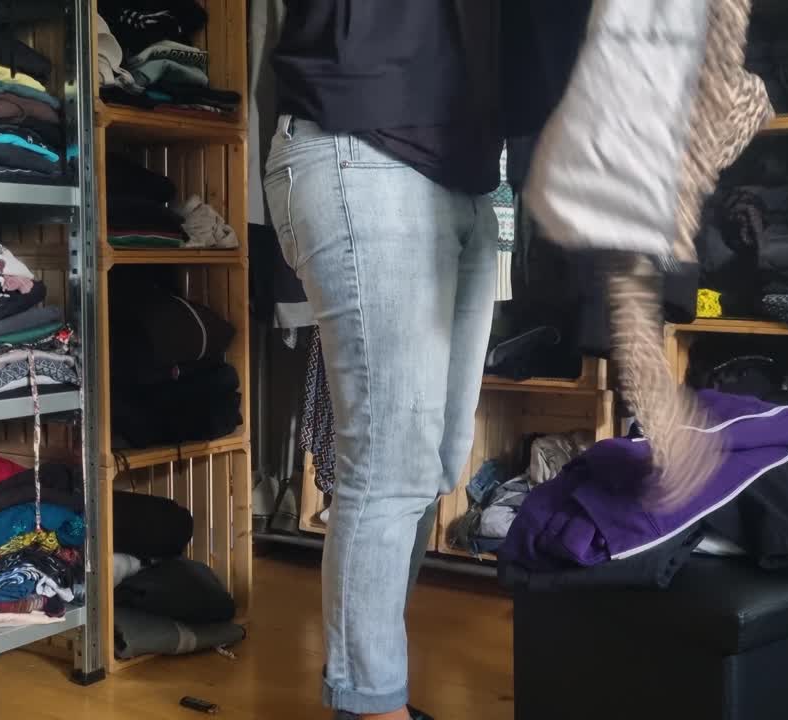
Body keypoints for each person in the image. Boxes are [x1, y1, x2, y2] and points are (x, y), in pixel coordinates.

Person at [263, 2, 502, 719]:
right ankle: (371, 705)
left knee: (437, 464)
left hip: (466, 174)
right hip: (361, 143)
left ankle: (369, 694)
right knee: (391, 464)